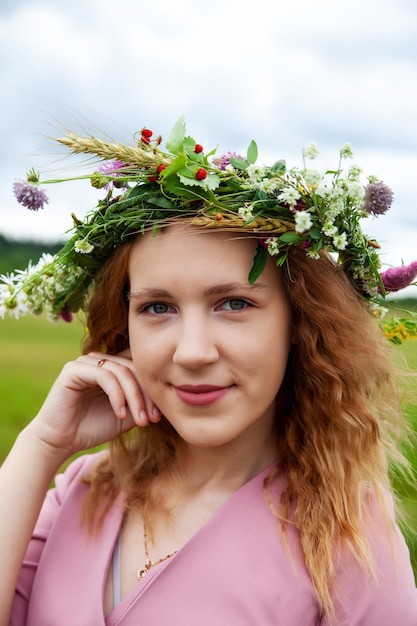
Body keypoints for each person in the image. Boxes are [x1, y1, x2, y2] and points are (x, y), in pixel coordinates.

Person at [1, 118, 417, 625]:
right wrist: (40, 447)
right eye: (158, 307)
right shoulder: (82, 490)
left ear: (298, 323)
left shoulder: (350, 547)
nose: (192, 352)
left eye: (234, 303)